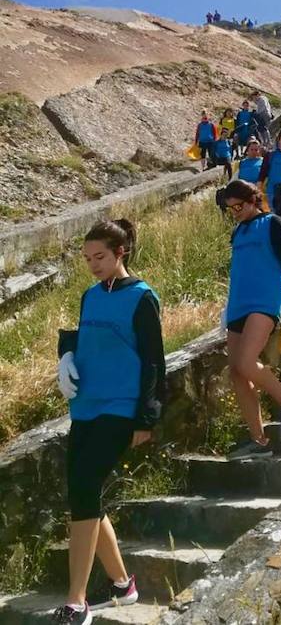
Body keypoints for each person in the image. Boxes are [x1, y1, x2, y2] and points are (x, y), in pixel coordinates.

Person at [53, 219, 164, 624]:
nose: (93, 265)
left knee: (83, 489)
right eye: (87, 259)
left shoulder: (142, 297)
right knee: (83, 494)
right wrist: (65, 354)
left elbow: (153, 360)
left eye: (99, 257)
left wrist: (146, 416)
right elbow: (81, 338)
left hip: (120, 408)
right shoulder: (89, 295)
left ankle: (76, 601)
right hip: (84, 407)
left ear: (122, 252)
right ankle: (122, 585)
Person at [220, 180, 281, 459]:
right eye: (231, 208)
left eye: (239, 205)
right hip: (237, 306)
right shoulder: (238, 232)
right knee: (236, 371)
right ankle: (258, 440)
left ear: (253, 199)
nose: (235, 211)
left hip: (264, 301)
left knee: (246, 361)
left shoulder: (273, 223)